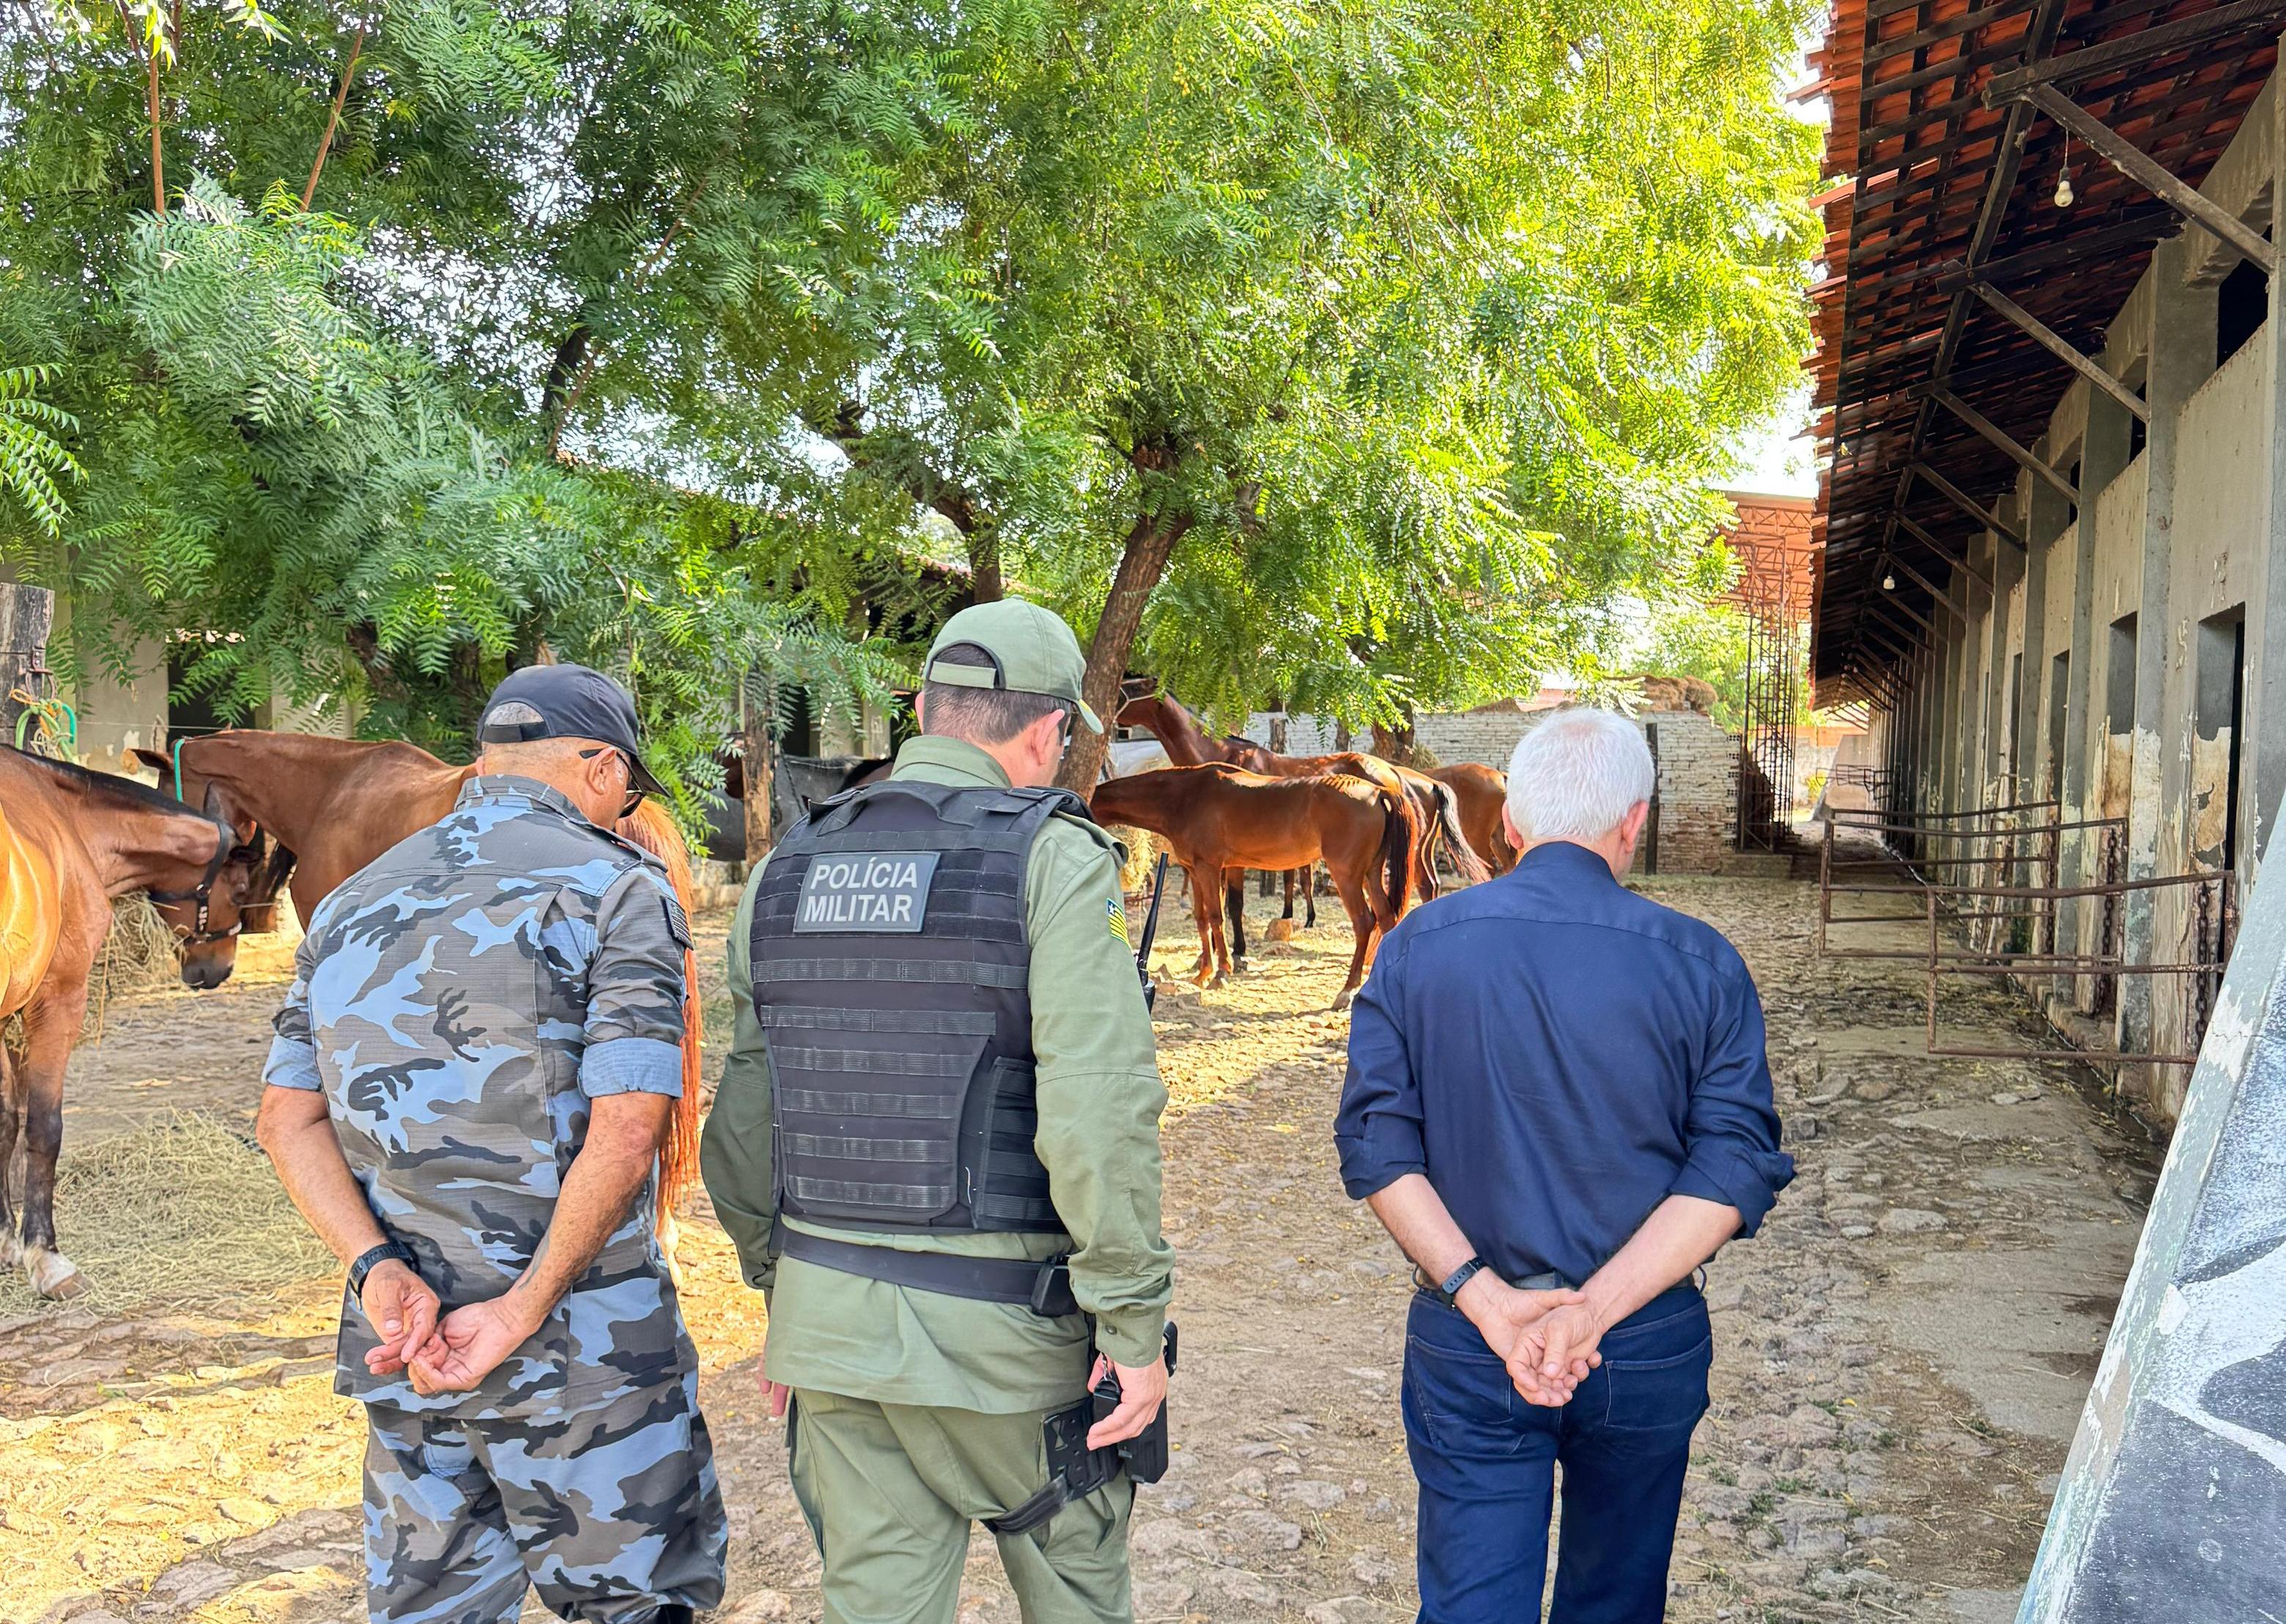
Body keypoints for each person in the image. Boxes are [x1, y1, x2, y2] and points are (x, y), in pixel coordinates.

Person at [702, 599, 1175, 1624]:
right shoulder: (1052, 860)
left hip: (832, 1339)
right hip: (1012, 1352)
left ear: (923, 707)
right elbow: (1097, 1111)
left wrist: (792, 1298)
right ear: (1049, 731)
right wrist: (1132, 1328)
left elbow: (743, 1123)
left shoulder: (785, 865)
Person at [255, 664, 727, 1624]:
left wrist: (379, 1271)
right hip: (584, 1355)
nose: (626, 807)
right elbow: (630, 1124)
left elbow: (285, 1119)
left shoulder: (348, 902)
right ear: (599, 767)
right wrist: (518, 1312)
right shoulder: (618, 888)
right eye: (630, 787)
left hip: (409, 1344)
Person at [1334, 706, 1793, 1624]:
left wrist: (1489, 1300)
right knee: (1617, 1601)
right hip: (1643, 1338)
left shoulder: (1416, 948)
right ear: (1636, 820)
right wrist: (1594, 1311)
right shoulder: (1703, 963)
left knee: (1471, 1606)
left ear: (1508, 825)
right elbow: (1735, 1159)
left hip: (1472, 1337)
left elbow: (1376, 1142)